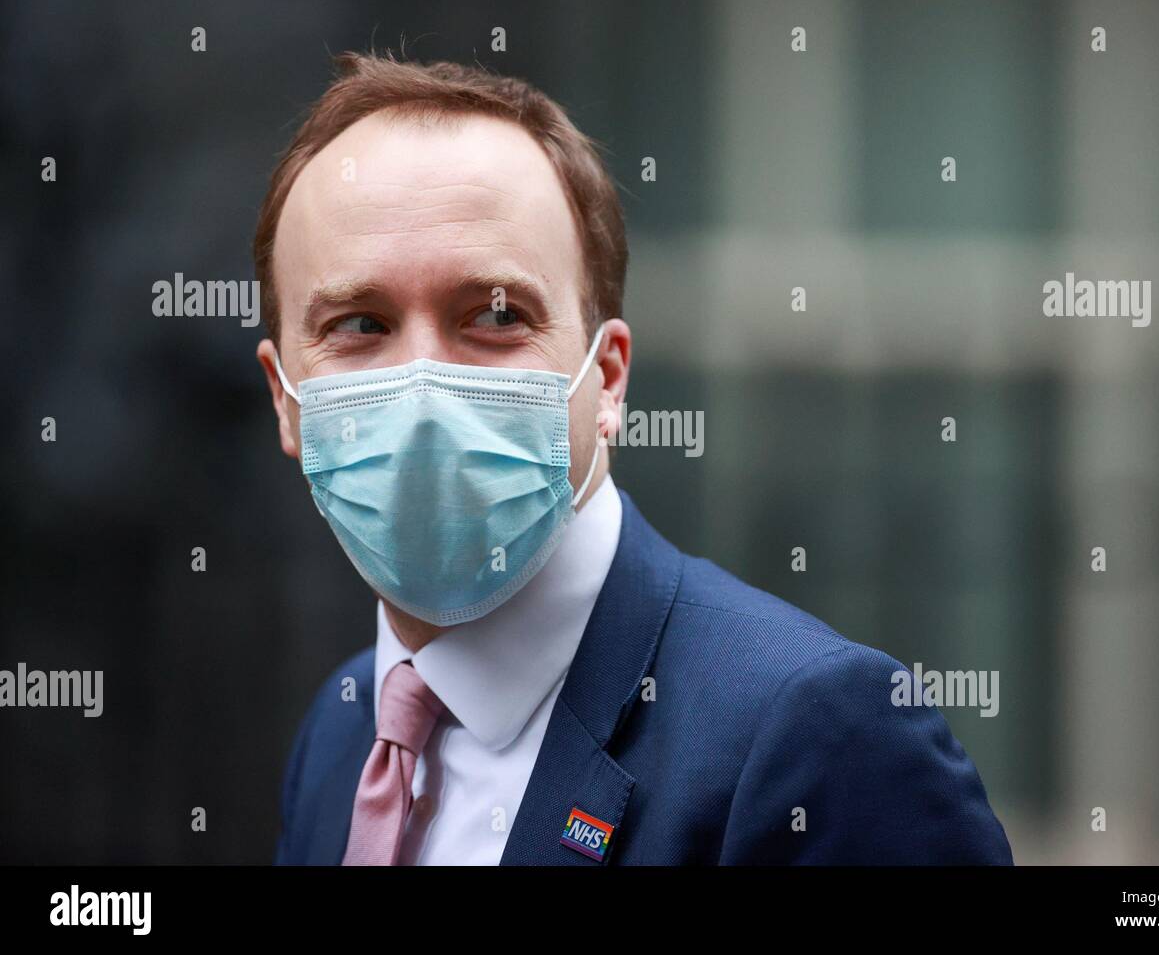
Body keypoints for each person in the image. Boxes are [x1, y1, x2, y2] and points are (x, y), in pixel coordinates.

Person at [256, 51, 1013, 865]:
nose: (425, 389)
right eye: (360, 325)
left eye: (497, 314)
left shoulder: (815, 733)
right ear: (284, 397)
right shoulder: (344, 730)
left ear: (608, 376)